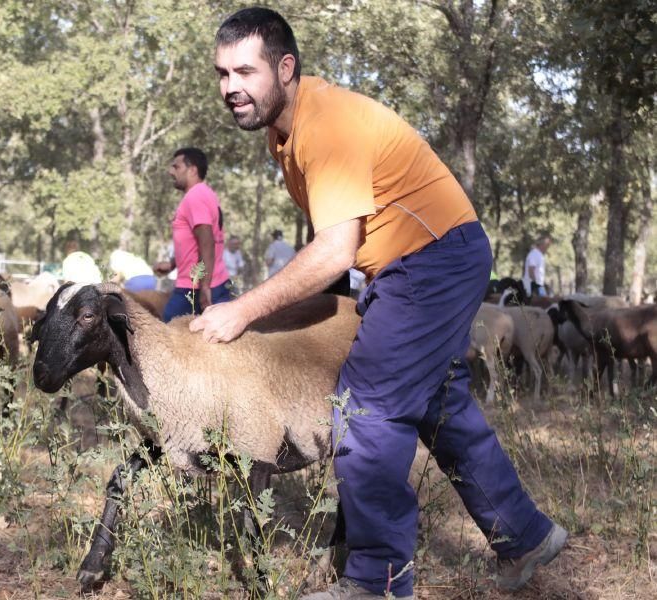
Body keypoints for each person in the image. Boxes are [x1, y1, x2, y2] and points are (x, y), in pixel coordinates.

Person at [192, 8, 566, 600]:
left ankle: (377, 582)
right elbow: (347, 238)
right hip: (420, 262)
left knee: (365, 412)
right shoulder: (282, 133)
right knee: (440, 408)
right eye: (221, 73)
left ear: (285, 68)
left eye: (245, 71)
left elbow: (336, 249)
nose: (230, 87)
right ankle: (525, 536)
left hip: (433, 258)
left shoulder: (325, 125)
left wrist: (243, 309)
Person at [155, 147, 232, 322]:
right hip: (212, 282)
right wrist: (172, 264)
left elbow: (207, 241)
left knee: (166, 337)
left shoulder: (195, 197)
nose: (170, 171)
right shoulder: (205, 193)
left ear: (192, 170)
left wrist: (204, 286)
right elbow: (195, 242)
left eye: (176, 167)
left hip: (194, 287)